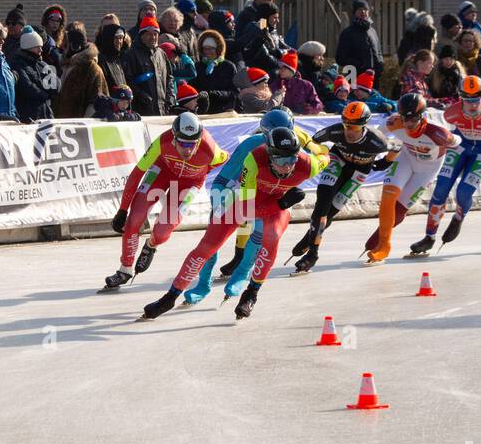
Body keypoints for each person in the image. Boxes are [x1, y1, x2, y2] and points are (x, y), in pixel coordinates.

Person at [141, 125, 328, 321]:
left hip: (276, 203)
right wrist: (281, 203)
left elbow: (326, 155)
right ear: (270, 155)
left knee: (271, 236)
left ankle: (251, 294)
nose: (288, 166)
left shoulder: (309, 165)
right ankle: (170, 297)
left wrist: (317, 146)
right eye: (281, 160)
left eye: (292, 159)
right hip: (247, 198)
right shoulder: (254, 159)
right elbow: (248, 209)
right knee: (208, 246)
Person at [181, 109, 325, 305]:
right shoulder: (252, 144)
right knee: (214, 238)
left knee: (260, 231)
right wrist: (219, 205)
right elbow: (224, 178)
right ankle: (203, 284)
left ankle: (242, 272)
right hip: (237, 189)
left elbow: (320, 154)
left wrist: (323, 154)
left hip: (267, 193)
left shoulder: (296, 138)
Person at [102, 112, 227, 291]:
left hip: (188, 183)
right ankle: (125, 269)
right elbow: (136, 174)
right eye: (183, 143)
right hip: (162, 172)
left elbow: (228, 162)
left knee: (162, 232)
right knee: (134, 219)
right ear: (174, 137)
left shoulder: (210, 150)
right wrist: (122, 210)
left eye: (193, 144)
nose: (188, 150)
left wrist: (203, 174)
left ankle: (151, 245)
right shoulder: (163, 141)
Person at [410, 75, 481, 257]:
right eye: (468, 101)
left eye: (477, 100)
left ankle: (458, 218)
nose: (473, 105)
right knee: (441, 189)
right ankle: (429, 237)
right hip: (460, 146)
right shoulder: (450, 113)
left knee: (464, 193)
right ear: (461, 99)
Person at [288, 100, 393, 273]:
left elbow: (396, 147)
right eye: (346, 125)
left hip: (358, 172)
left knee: (330, 213)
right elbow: (314, 142)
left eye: (355, 127)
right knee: (322, 202)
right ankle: (313, 254)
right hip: (338, 161)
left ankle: (309, 238)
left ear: (365, 125)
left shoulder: (377, 140)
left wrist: (386, 162)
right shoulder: (335, 131)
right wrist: (317, 155)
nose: (349, 131)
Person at [362, 93, 459, 263]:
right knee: (388, 197)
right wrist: (385, 157)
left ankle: (379, 237)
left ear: (422, 116)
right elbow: (375, 137)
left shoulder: (437, 133)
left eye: (413, 119)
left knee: (399, 209)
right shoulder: (394, 123)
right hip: (406, 158)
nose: (408, 124)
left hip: (427, 170)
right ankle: (384, 246)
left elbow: (458, 142)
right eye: (404, 119)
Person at [53, 23, 106, 118]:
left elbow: (97, 102)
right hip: (61, 125)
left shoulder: (91, 69)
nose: (63, 47)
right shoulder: (63, 65)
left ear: (74, 45)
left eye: (66, 44)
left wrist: (83, 126)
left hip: (79, 127)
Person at [123, 15, 172, 116]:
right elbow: (128, 81)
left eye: (155, 34)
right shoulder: (131, 54)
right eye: (149, 34)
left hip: (162, 110)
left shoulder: (161, 54)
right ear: (141, 35)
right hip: (141, 111)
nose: (153, 37)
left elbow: (169, 78)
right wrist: (142, 97)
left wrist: (170, 98)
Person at [8, 26, 55, 122]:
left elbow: (55, 84)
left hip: (45, 113)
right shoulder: (17, 64)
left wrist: (47, 91)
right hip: (29, 114)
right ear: (29, 47)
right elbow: (26, 87)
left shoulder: (42, 64)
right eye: (38, 47)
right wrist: (45, 94)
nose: (41, 50)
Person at [335, 0, 384, 80]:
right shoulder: (348, 33)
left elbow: (378, 51)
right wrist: (360, 64)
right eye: (360, 9)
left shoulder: (372, 31)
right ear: (354, 13)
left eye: (365, 9)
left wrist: (380, 63)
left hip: (373, 77)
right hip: (354, 77)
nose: (363, 12)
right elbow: (340, 58)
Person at [273, 50, 321, 115]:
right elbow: (269, 105)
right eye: (280, 68)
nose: (280, 71)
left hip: (301, 120)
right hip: (281, 119)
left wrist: (309, 110)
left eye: (283, 68)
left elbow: (318, 104)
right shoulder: (275, 84)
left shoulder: (306, 85)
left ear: (291, 70)